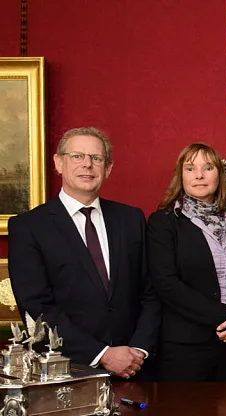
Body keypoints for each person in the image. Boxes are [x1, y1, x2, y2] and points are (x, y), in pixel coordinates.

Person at [9, 127, 160, 380]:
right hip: (70, 370)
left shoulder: (131, 219)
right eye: (77, 156)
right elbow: (37, 307)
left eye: (96, 158)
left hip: (135, 368)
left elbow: (151, 292)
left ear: (108, 168)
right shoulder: (29, 227)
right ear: (59, 163)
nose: (87, 165)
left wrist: (139, 350)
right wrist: (102, 354)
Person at [147, 143, 226, 383]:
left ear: (219, 175)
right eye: (190, 169)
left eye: (207, 168)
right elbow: (166, 283)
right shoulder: (165, 222)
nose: (199, 175)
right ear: (181, 176)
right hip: (186, 347)